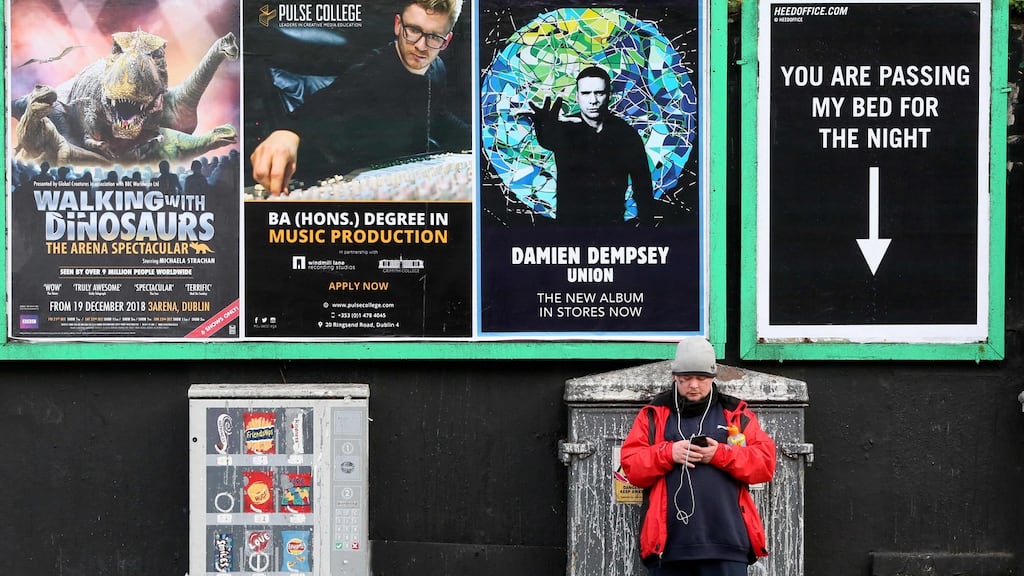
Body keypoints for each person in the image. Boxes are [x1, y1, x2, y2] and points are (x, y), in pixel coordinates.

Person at [250, 0, 469, 195]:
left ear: (446, 41)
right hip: (365, 182)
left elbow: (439, 115)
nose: (421, 45)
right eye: (413, 30)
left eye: (433, 37)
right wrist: (288, 132)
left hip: (413, 177)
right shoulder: (372, 70)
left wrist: (479, 138)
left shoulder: (437, 67)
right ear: (397, 26)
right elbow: (329, 101)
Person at [620, 337, 776, 575]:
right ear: (675, 377)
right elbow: (632, 468)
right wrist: (668, 453)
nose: (693, 385)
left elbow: (764, 465)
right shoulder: (653, 415)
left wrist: (719, 454)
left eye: (701, 379)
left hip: (728, 544)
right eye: (685, 379)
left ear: (713, 378)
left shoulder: (735, 413)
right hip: (669, 548)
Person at [525, 66, 654, 225]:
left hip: (612, 230)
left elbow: (643, 186)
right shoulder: (564, 128)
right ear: (577, 96)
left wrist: (648, 228)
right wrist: (543, 125)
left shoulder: (626, 135)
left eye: (599, 93)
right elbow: (547, 140)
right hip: (569, 231)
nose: (593, 100)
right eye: (586, 93)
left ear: (609, 96)